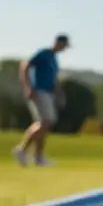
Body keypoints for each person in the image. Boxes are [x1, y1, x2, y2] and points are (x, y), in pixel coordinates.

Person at [13, 33, 70, 167]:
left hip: (48, 93)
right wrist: (28, 87)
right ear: (58, 43)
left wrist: (59, 95)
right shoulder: (44, 53)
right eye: (64, 45)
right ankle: (22, 150)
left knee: (46, 124)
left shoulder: (54, 59)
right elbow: (25, 66)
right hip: (38, 91)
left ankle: (37, 157)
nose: (64, 49)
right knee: (45, 122)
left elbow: (54, 79)